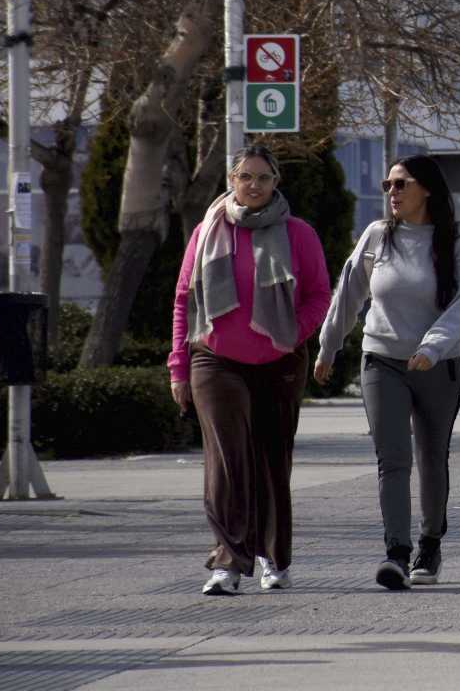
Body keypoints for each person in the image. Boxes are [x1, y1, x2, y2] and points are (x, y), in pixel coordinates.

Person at [169, 144, 332, 596]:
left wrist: (291, 332)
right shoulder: (207, 231)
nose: (254, 185)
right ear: (231, 180)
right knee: (227, 461)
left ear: (276, 182)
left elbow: (320, 294)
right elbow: (185, 299)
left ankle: (273, 559)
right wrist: (177, 367)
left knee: (271, 461)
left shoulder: (298, 234)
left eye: (263, 177)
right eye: (246, 176)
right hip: (214, 358)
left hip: (279, 361)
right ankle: (227, 561)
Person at [316, 154, 460, 591]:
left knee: (430, 457)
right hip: (382, 360)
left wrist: (432, 346)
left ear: (426, 189)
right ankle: (396, 553)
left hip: (438, 365)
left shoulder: (457, 241)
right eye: (389, 184)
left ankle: (430, 542)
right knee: (392, 459)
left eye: (401, 184)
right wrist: (328, 346)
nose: (392, 191)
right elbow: (348, 293)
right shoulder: (376, 237)